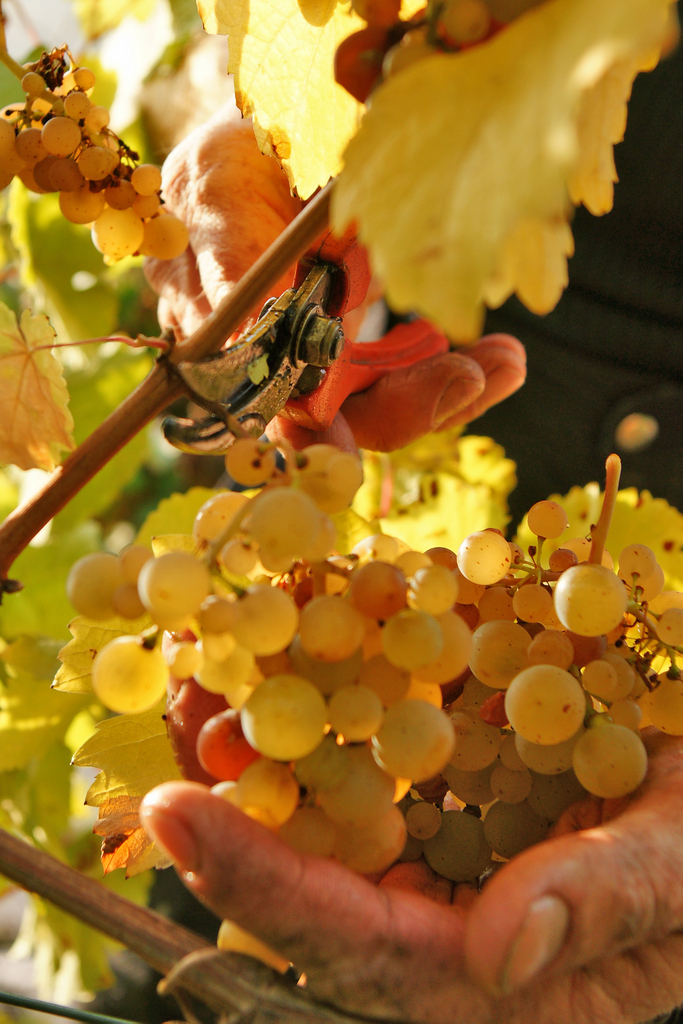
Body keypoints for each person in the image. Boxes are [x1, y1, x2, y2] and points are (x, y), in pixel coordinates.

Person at [142, 28, 683, 1024]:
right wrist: (273, 137)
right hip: (374, 593)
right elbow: (311, 35)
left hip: (619, 692)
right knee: (193, 940)